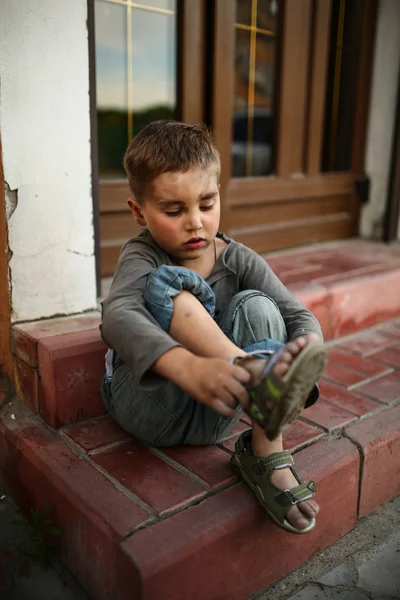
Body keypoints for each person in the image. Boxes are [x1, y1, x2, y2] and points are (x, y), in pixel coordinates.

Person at [100, 121, 327, 534]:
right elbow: (117, 314)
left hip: (219, 409)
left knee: (259, 305)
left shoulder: (239, 258)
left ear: (219, 195)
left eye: (206, 204)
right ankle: (253, 372)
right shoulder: (142, 254)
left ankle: (264, 453)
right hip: (151, 405)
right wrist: (189, 366)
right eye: (174, 210)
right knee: (169, 282)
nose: (195, 222)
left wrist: (298, 363)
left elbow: (300, 318)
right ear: (139, 212)